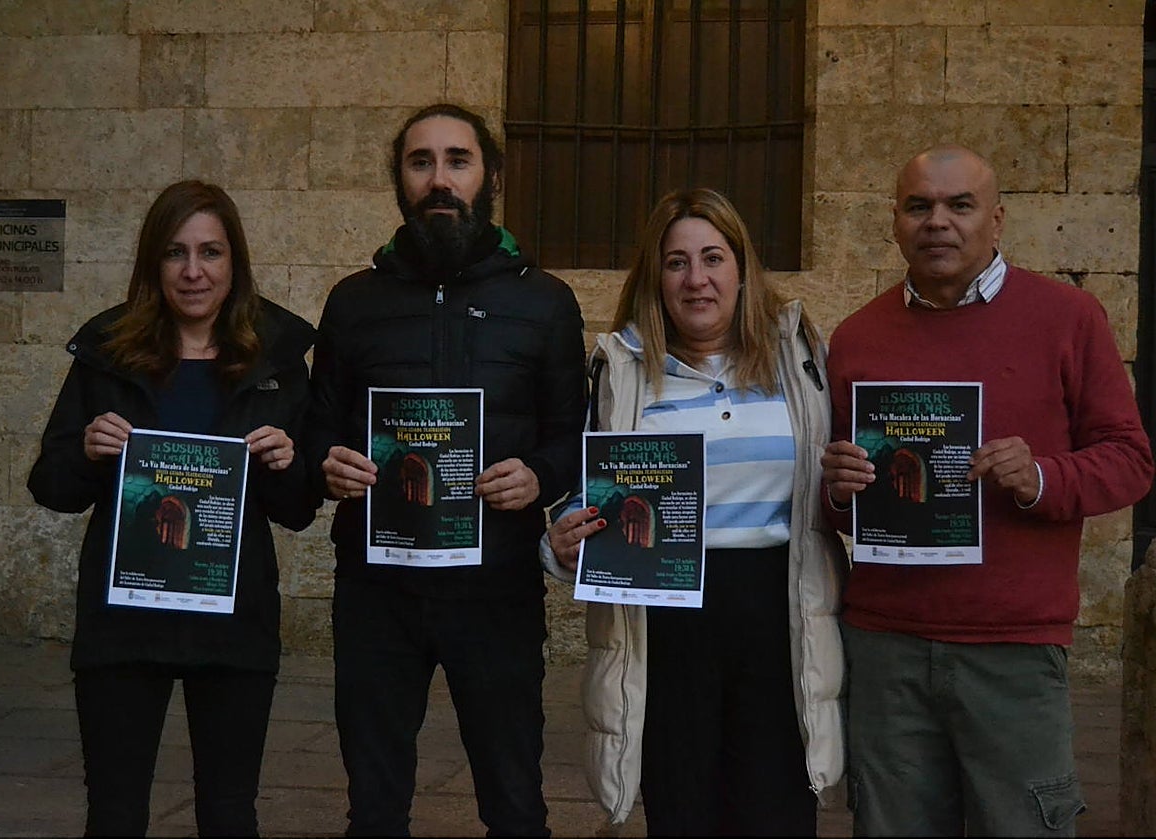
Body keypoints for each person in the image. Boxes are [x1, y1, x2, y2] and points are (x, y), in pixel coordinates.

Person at [821, 144, 1155, 837]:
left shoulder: (1069, 318)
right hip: (887, 649)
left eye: (958, 205)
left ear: (996, 221)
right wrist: (839, 489)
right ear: (895, 221)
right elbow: (834, 491)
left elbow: (1130, 461)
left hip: (1014, 651)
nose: (937, 222)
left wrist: (1041, 477)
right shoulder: (857, 337)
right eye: (919, 206)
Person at [306, 103, 586, 838]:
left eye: (457, 160)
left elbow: (573, 433)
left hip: (495, 588)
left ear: (489, 174)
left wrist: (539, 474)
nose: (439, 179)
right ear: (398, 179)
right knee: (373, 801)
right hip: (376, 588)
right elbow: (319, 428)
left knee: (515, 798)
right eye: (420, 161)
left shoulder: (545, 302)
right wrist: (326, 464)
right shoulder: (353, 302)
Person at [543, 188, 849, 837]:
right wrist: (562, 541)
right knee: (682, 812)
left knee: (778, 812)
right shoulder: (621, 370)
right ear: (656, 276)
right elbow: (579, 489)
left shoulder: (799, 359)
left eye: (713, 257)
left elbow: (834, 481)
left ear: (742, 267)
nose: (697, 278)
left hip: (779, 612)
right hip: (667, 620)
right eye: (677, 262)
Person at [27, 180, 318, 837]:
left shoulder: (276, 361)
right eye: (175, 253)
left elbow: (299, 508)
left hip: (233, 619)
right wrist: (90, 450)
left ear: (234, 263)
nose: (193, 272)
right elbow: (51, 486)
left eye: (211, 253)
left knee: (227, 813)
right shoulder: (108, 354)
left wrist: (285, 461)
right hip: (124, 622)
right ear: (151, 265)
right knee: (116, 813)